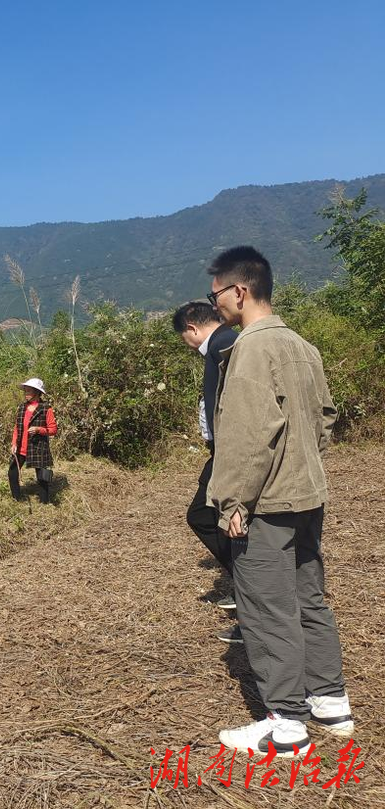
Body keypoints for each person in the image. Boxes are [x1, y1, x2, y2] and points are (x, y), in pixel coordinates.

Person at [206, 246, 352, 756]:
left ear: (239, 292)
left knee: (267, 608)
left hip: (265, 502)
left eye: (216, 293)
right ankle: (330, 701)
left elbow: (248, 435)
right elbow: (326, 417)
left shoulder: (251, 349)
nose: (215, 303)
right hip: (307, 494)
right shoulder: (302, 346)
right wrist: (304, 464)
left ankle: (285, 726)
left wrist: (232, 502)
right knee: (308, 596)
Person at [172, 301, 241, 644]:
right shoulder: (224, 343)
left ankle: (250, 593)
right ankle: (248, 592)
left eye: (183, 335)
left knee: (204, 515)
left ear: (191, 327)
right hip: (225, 450)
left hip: (231, 452)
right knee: (213, 517)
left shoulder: (223, 345)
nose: (186, 342)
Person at [8, 378, 57, 504]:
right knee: (12, 473)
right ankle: (16, 499)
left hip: (37, 448)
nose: (26, 393)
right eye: (25, 390)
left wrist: (39, 429)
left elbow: (53, 430)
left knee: (42, 477)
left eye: (28, 390)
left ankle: (45, 503)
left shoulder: (46, 408)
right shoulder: (22, 407)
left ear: (36, 392)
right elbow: (16, 427)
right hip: (20, 447)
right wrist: (14, 443)